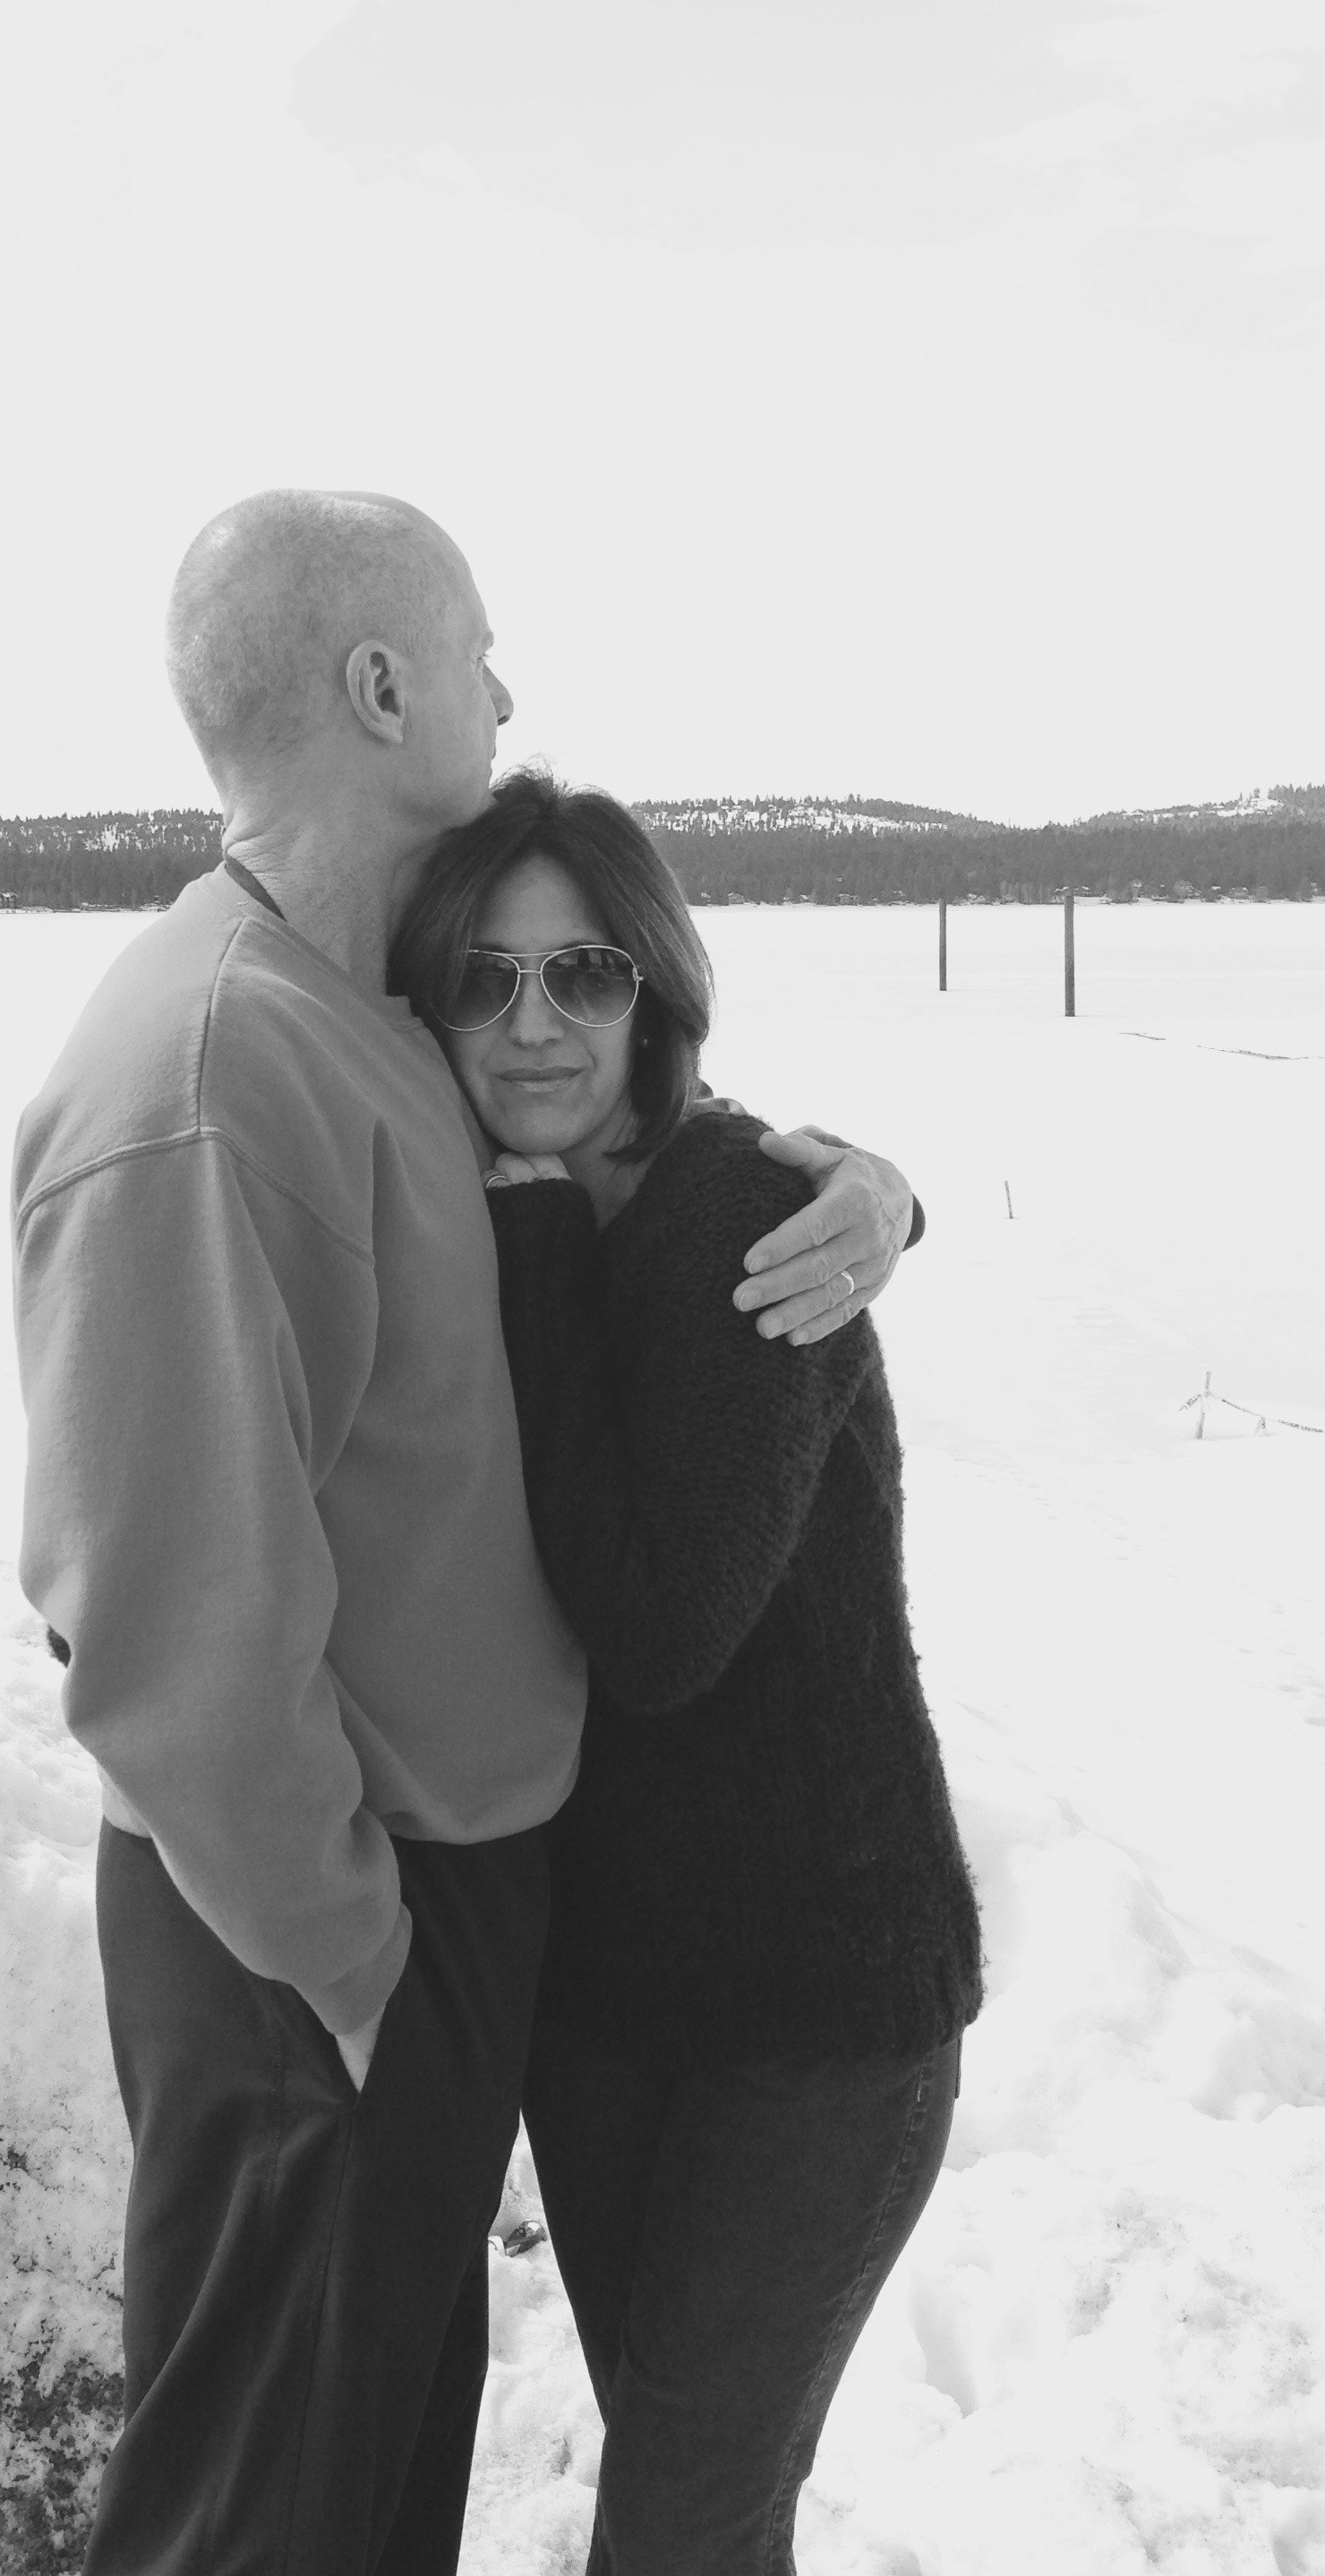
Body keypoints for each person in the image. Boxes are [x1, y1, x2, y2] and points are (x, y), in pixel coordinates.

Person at [12, 488, 924, 2576]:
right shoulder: (206, 1071)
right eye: (478, 653)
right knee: (264, 2515)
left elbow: (631, 1119)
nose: (504, 695)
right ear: (379, 684)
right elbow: (155, 1621)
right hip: (315, 1929)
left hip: (433, 1917)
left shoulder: (371, 1010)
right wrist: (354, 1972)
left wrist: (866, 1185)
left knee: (362, 2494)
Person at [390, 768, 984, 2576]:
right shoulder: (484, 1199)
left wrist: (547, 1251)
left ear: (654, 987)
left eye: (583, 973)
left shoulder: (734, 1212)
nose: (533, 1022)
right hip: (610, 2003)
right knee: (693, 2499)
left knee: (678, 2526)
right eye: (484, 977)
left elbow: (658, 1630)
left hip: (819, 2016)